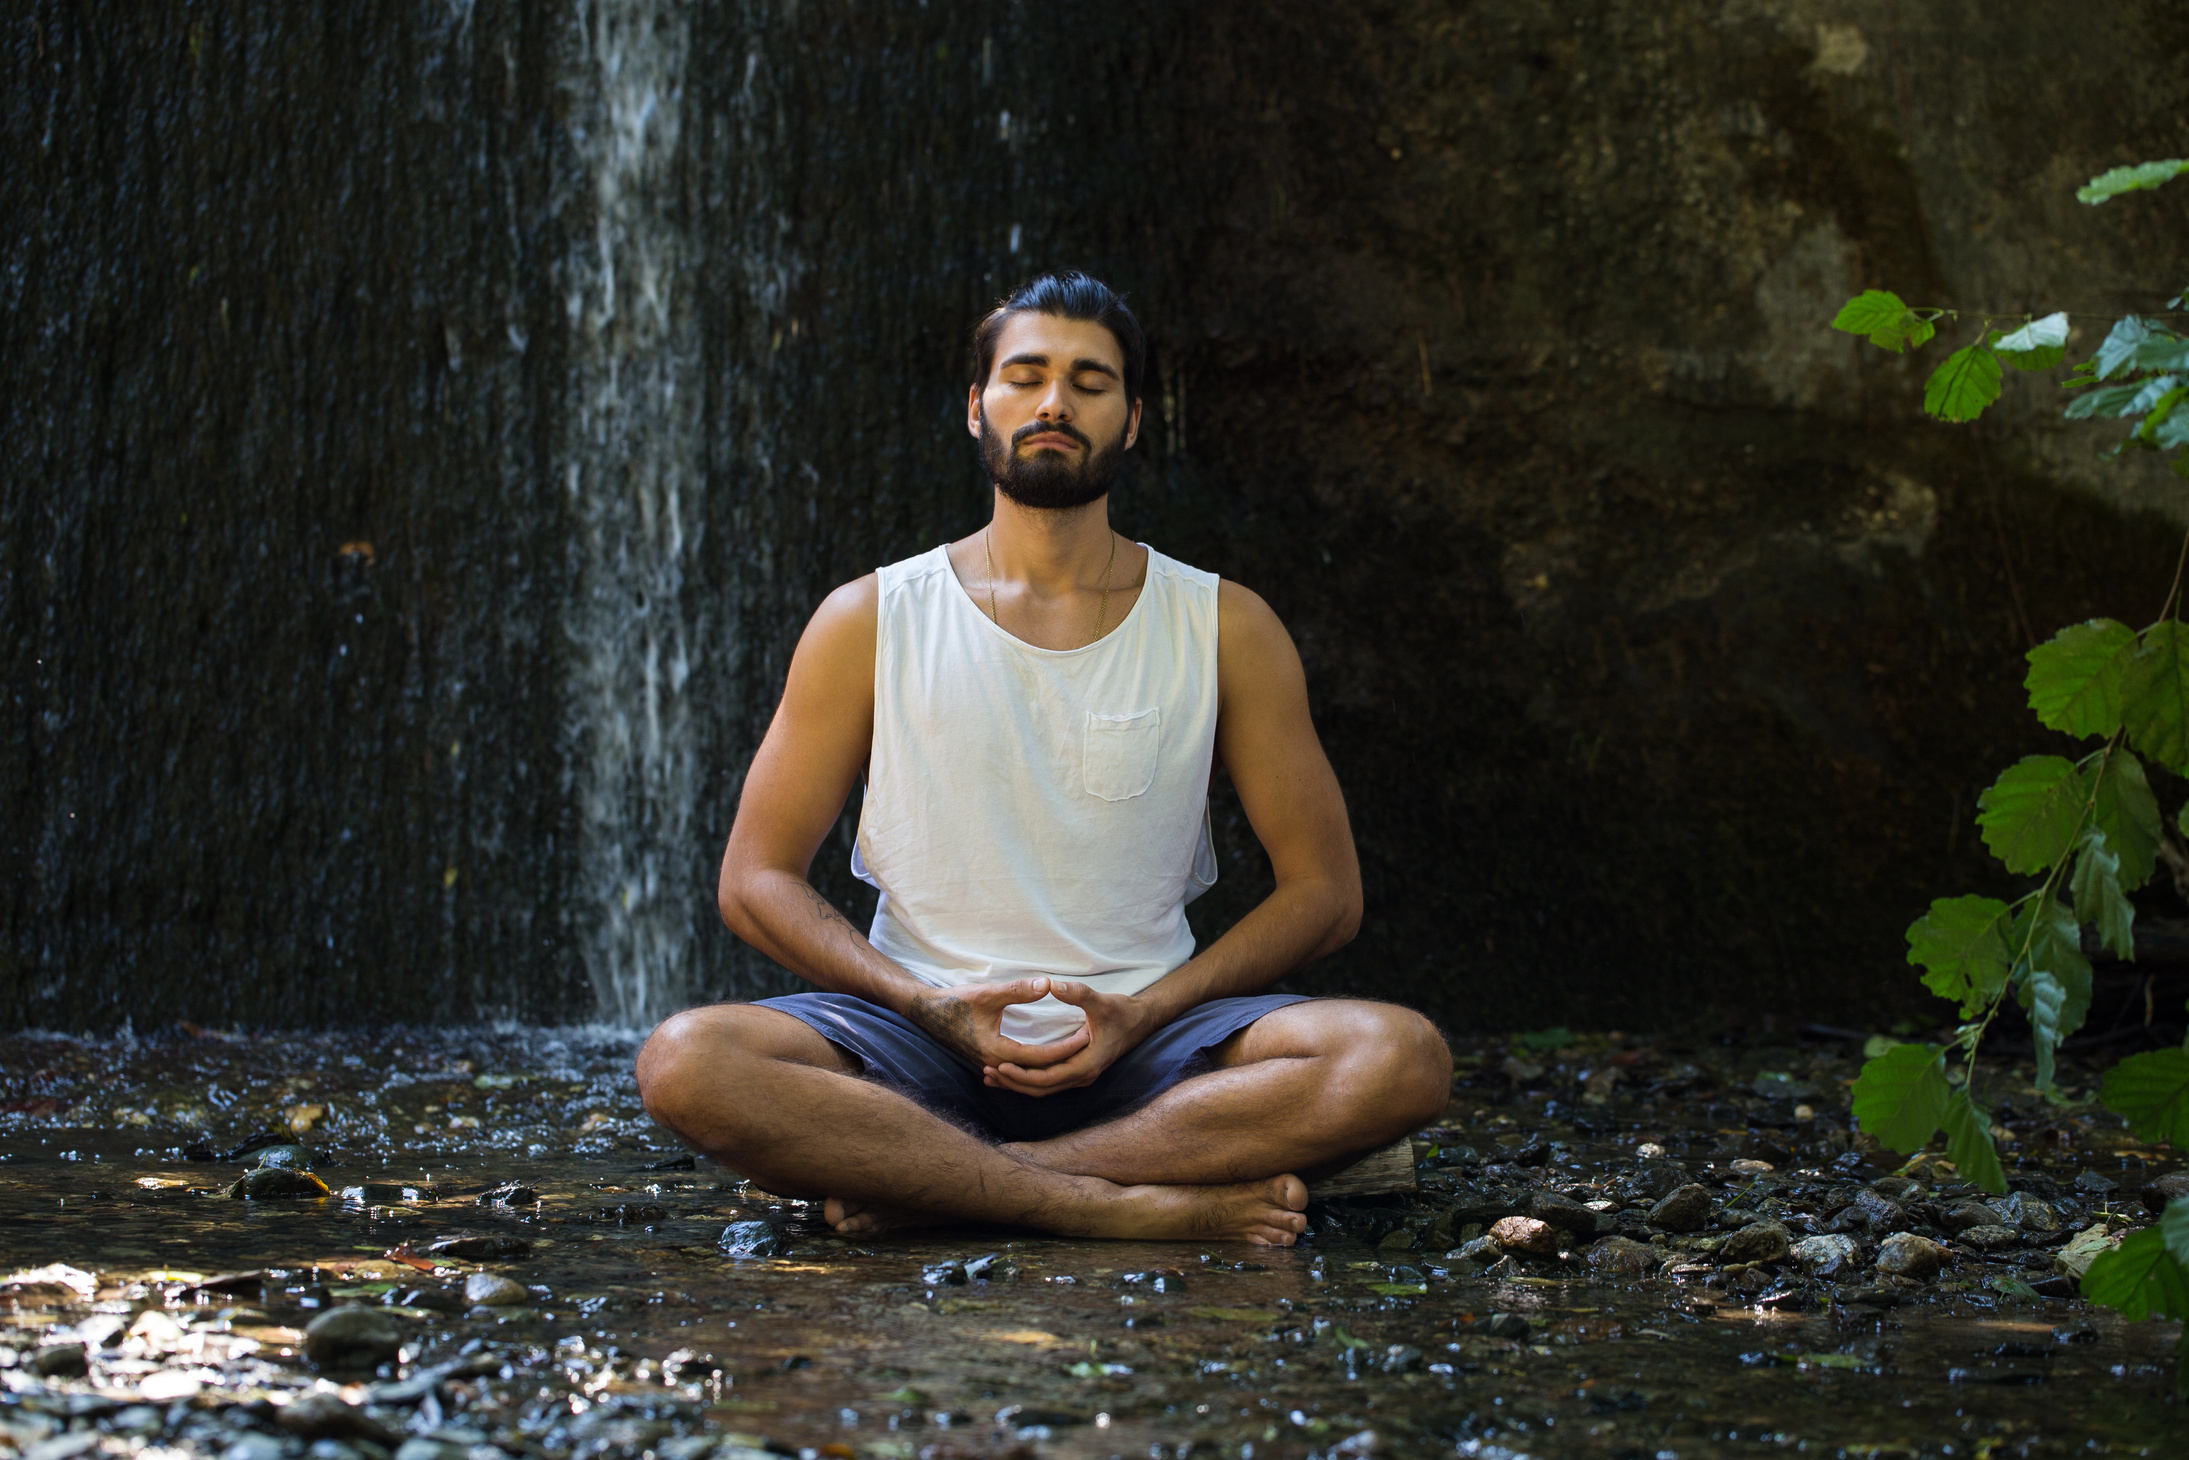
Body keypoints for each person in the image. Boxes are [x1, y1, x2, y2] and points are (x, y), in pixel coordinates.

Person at [636, 273, 1450, 1244]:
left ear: (1134, 418)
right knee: (686, 1059)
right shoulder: (870, 618)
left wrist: (1143, 1015)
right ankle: (1119, 1206)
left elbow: (1325, 891)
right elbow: (752, 879)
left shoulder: (1225, 625)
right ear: (977, 405)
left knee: (1397, 1055)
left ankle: (942, 1185)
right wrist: (924, 1004)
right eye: (1024, 375)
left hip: (1148, 1041)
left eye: (1088, 380)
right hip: (917, 1038)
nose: (1054, 401)